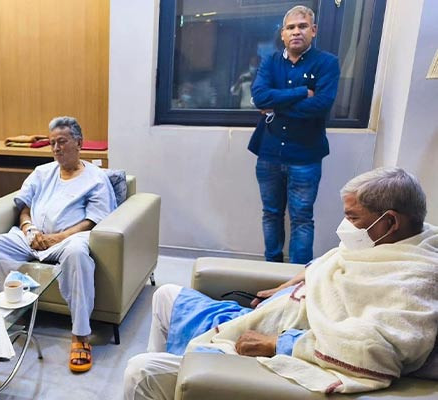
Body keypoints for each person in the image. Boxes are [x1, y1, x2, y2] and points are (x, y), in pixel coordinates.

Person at [124, 167, 438, 399]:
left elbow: (372, 351)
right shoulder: (392, 243)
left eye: (353, 217)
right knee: (166, 294)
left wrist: (276, 343)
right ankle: (177, 379)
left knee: (142, 370)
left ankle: (179, 373)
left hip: (282, 346)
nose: (345, 226)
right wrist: (284, 288)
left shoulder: (414, 281)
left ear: (390, 221)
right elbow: (326, 265)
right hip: (270, 316)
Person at [0, 116, 117, 373]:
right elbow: (24, 206)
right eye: (52, 143)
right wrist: (29, 228)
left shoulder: (96, 178)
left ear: (79, 143)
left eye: (62, 142)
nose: (56, 148)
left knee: (77, 254)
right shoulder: (42, 172)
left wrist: (56, 238)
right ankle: (10, 310)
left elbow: (92, 221)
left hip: (69, 239)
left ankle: (80, 335)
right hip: (32, 237)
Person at [248, 5, 340, 264]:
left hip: (305, 156)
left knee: (301, 218)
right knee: (271, 214)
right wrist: (301, 92)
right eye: (290, 27)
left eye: (302, 26)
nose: (296, 31)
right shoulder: (270, 61)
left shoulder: (327, 63)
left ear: (314, 30)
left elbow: (321, 105)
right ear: (283, 34)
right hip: (269, 153)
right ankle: (272, 269)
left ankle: (298, 277)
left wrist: (276, 105)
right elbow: (259, 97)